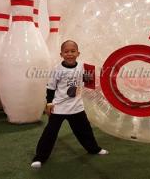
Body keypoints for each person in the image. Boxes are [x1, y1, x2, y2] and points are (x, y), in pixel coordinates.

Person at [31, 40, 108, 169]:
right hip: (59, 108)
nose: (70, 54)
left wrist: (94, 81)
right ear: (61, 54)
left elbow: (89, 84)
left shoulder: (84, 67)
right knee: (50, 133)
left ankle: (94, 149)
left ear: (78, 53)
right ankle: (39, 157)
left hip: (77, 107)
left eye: (73, 51)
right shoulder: (57, 69)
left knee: (85, 130)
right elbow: (50, 88)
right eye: (66, 52)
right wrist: (49, 103)